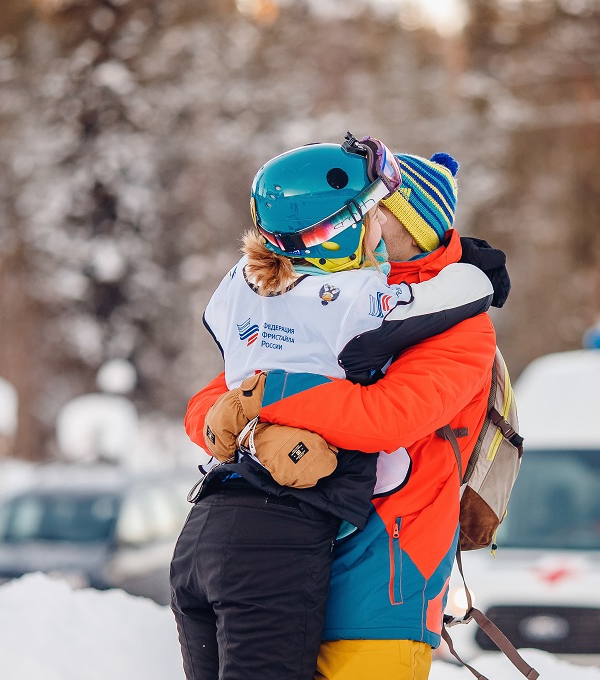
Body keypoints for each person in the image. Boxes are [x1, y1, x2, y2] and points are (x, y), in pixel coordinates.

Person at [170, 133, 495, 680]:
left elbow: (385, 417)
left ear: (410, 227)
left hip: (378, 586)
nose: (366, 222)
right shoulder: (328, 296)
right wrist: (243, 427)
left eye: (378, 209)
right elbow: (217, 394)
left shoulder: (456, 325)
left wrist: (264, 400)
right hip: (286, 561)